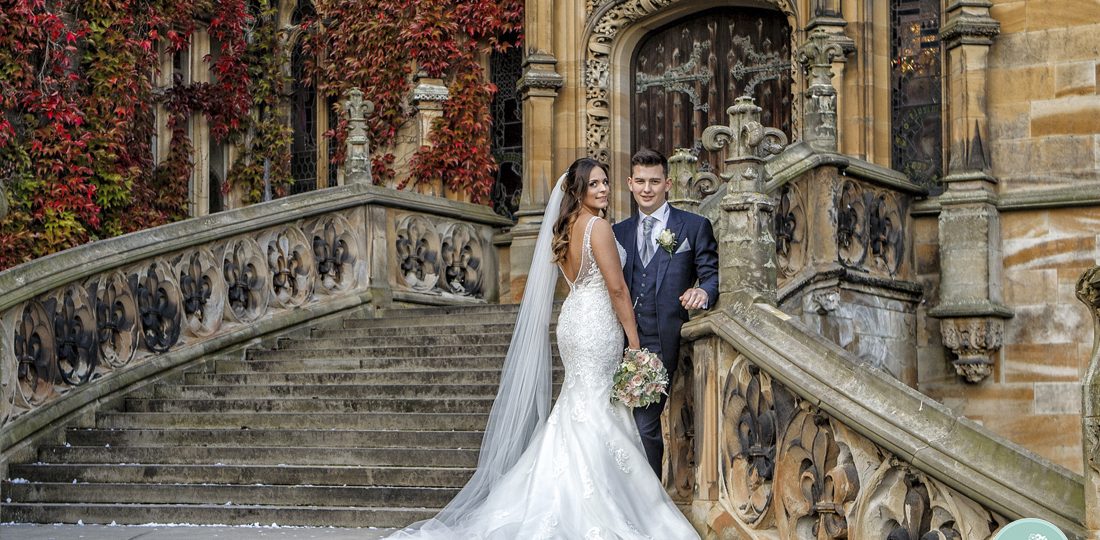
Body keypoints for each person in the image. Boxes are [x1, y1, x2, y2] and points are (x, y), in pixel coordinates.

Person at [387, 157, 700, 539]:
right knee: (598, 408)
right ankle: (603, 505)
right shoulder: (598, 227)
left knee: (577, 405)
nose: (603, 190)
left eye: (605, 183)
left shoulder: (566, 227)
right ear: (578, 191)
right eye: (594, 185)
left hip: (574, 319)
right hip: (597, 324)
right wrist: (634, 342)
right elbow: (618, 289)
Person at [612, 148, 719, 478]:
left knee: (644, 426)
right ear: (630, 183)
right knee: (615, 429)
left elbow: (712, 274)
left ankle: (649, 499)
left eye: (654, 182)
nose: (647, 189)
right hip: (617, 343)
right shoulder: (617, 232)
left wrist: (703, 291)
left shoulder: (694, 226)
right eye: (640, 181)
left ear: (668, 183)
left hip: (662, 343)